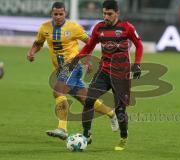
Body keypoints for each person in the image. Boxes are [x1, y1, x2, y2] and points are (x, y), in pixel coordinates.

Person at [26, 1, 118, 140]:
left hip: (73, 65)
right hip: (59, 69)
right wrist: (32, 52)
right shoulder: (44, 28)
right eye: (55, 14)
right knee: (85, 99)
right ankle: (111, 113)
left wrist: (88, 60)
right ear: (51, 13)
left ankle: (62, 128)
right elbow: (38, 43)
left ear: (65, 13)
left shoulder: (74, 27)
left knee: (58, 91)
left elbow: (90, 42)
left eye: (60, 14)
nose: (58, 16)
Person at [69, 0, 143, 150]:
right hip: (103, 72)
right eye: (104, 13)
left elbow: (139, 45)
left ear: (117, 13)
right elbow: (89, 46)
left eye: (109, 14)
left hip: (121, 75)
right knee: (89, 100)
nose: (106, 16)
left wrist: (137, 64)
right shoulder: (98, 28)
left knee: (120, 111)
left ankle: (123, 136)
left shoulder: (127, 28)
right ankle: (86, 134)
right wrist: (77, 58)